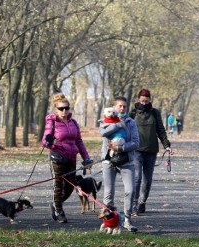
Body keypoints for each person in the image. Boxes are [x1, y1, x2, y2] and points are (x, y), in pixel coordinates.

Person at [42, 92, 92, 223]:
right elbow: (44, 140)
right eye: (61, 108)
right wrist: (50, 142)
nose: (64, 111)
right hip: (57, 157)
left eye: (66, 108)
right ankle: (59, 211)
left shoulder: (73, 123)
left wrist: (86, 158)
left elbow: (79, 141)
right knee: (58, 185)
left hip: (71, 158)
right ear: (55, 109)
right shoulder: (51, 122)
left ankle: (55, 203)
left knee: (70, 187)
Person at [99, 96, 140, 232]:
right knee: (108, 193)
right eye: (119, 106)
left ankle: (127, 220)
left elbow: (135, 142)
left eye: (124, 106)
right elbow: (102, 133)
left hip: (126, 160)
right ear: (114, 107)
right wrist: (117, 125)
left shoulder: (131, 122)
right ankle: (109, 222)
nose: (122, 108)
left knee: (130, 190)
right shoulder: (106, 119)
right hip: (108, 161)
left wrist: (120, 148)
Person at [130, 88, 172, 215]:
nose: (144, 103)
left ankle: (142, 202)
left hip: (151, 151)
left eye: (146, 101)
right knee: (137, 178)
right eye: (142, 101)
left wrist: (167, 145)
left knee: (147, 179)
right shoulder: (132, 113)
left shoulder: (155, 113)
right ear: (138, 100)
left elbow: (160, 129)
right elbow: (126, 130)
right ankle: (134, 204)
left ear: (150, 100)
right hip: (136, 150)